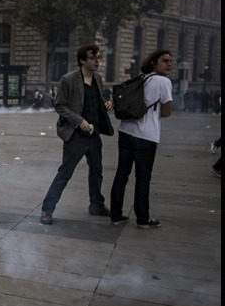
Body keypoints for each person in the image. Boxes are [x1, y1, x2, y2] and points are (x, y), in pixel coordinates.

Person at [39, 45, 115, 226]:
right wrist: (78, 121)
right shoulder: (69, 79)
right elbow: (60, 106)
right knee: (65, 172)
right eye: (93, 57)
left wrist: (105, 105)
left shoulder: (97, 78)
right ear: (82, 60)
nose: (97, 61)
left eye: (99, 57)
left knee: (97, 171)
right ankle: (47, 210)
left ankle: (96, 204)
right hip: (76, 135)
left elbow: (93, 102)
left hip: (93, 134)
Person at [108, 49, 174, 229]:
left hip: (126, 132)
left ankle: (115, 215)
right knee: (143, 178)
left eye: (170, 61)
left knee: (121, 174)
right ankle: (143, 218)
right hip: (146, 136)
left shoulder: (142, 78)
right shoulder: (164, 82)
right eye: (165, 61)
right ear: (154, 62)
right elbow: (167, 112)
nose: (169, 64)